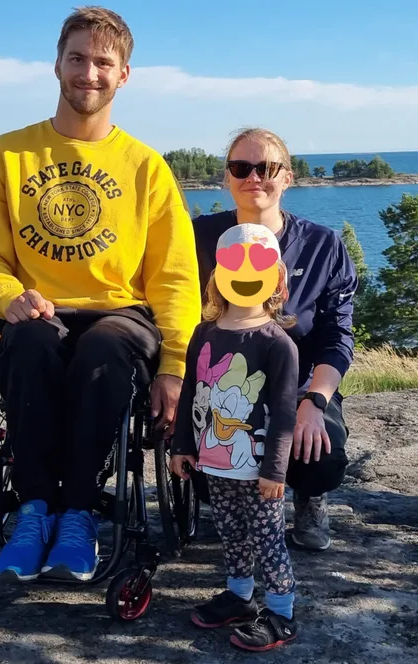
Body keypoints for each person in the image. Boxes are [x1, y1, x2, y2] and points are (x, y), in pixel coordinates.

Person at [0, 6, 201, 582]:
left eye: (103, 62)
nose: (88, 73)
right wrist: (6, 295)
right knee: (30, 343)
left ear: (123, 75)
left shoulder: (146, 167)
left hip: (122, 314)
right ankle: (34, 511)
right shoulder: (7, 155)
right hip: (39, 309)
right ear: (57, 65)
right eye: (77, 58)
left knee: (103, 350)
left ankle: (79, 513)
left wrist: (174, 366)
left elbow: (174, 276)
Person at [191, 127, 357, 552]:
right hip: (222, 391)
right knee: (204, 477)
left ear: (287, 177)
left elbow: (337, 336)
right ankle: (242, 503)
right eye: (240, 168)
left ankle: (309, 496)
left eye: (266, 168)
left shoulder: (322, 246)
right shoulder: (197, 239)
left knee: (320, 458)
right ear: (227, 177)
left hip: (298, 389)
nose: (253, 178)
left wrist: (315, 402)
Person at [170, 222, 300, 652]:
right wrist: (182, 445)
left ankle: (281, 612)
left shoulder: (277, 343)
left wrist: (275, 469)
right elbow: (192, 391)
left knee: (267, 538)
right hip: (215, 461)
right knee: (230, 531)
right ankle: (240, 596)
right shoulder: (203, 334)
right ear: (217, 276)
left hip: (258, 468)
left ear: (276, 279)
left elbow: (284, 413)